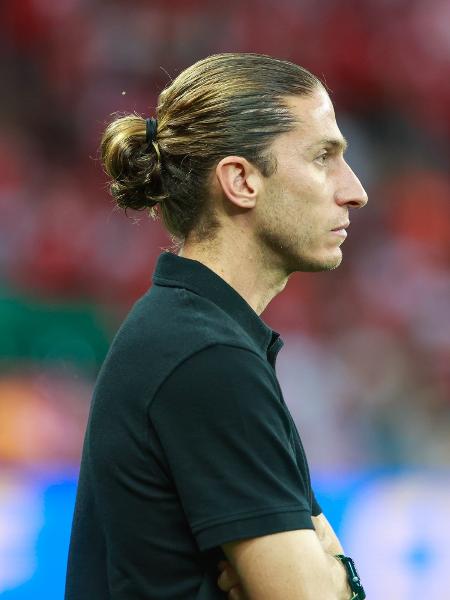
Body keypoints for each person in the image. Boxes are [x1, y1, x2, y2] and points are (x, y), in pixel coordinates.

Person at [65, 52, 368, 599]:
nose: (355, 190)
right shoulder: (205, 358)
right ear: (241, 181)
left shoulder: (190, 335)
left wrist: (325, 569)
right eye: (324, 156)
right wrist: (337, 576)